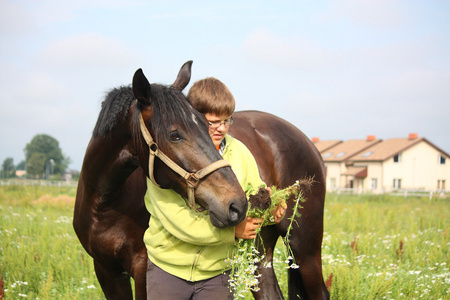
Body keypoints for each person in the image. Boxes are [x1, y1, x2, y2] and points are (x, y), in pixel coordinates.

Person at [144, 77, 286, 299]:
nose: (222, 128)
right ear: (195, 117)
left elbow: (253, 198)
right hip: (168, 271)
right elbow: (177, 221)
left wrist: (270, 209)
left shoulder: (240, 153)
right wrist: (232, 233)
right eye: (213, 122)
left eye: (227, 120)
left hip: (217, 274)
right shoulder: (171, 154)